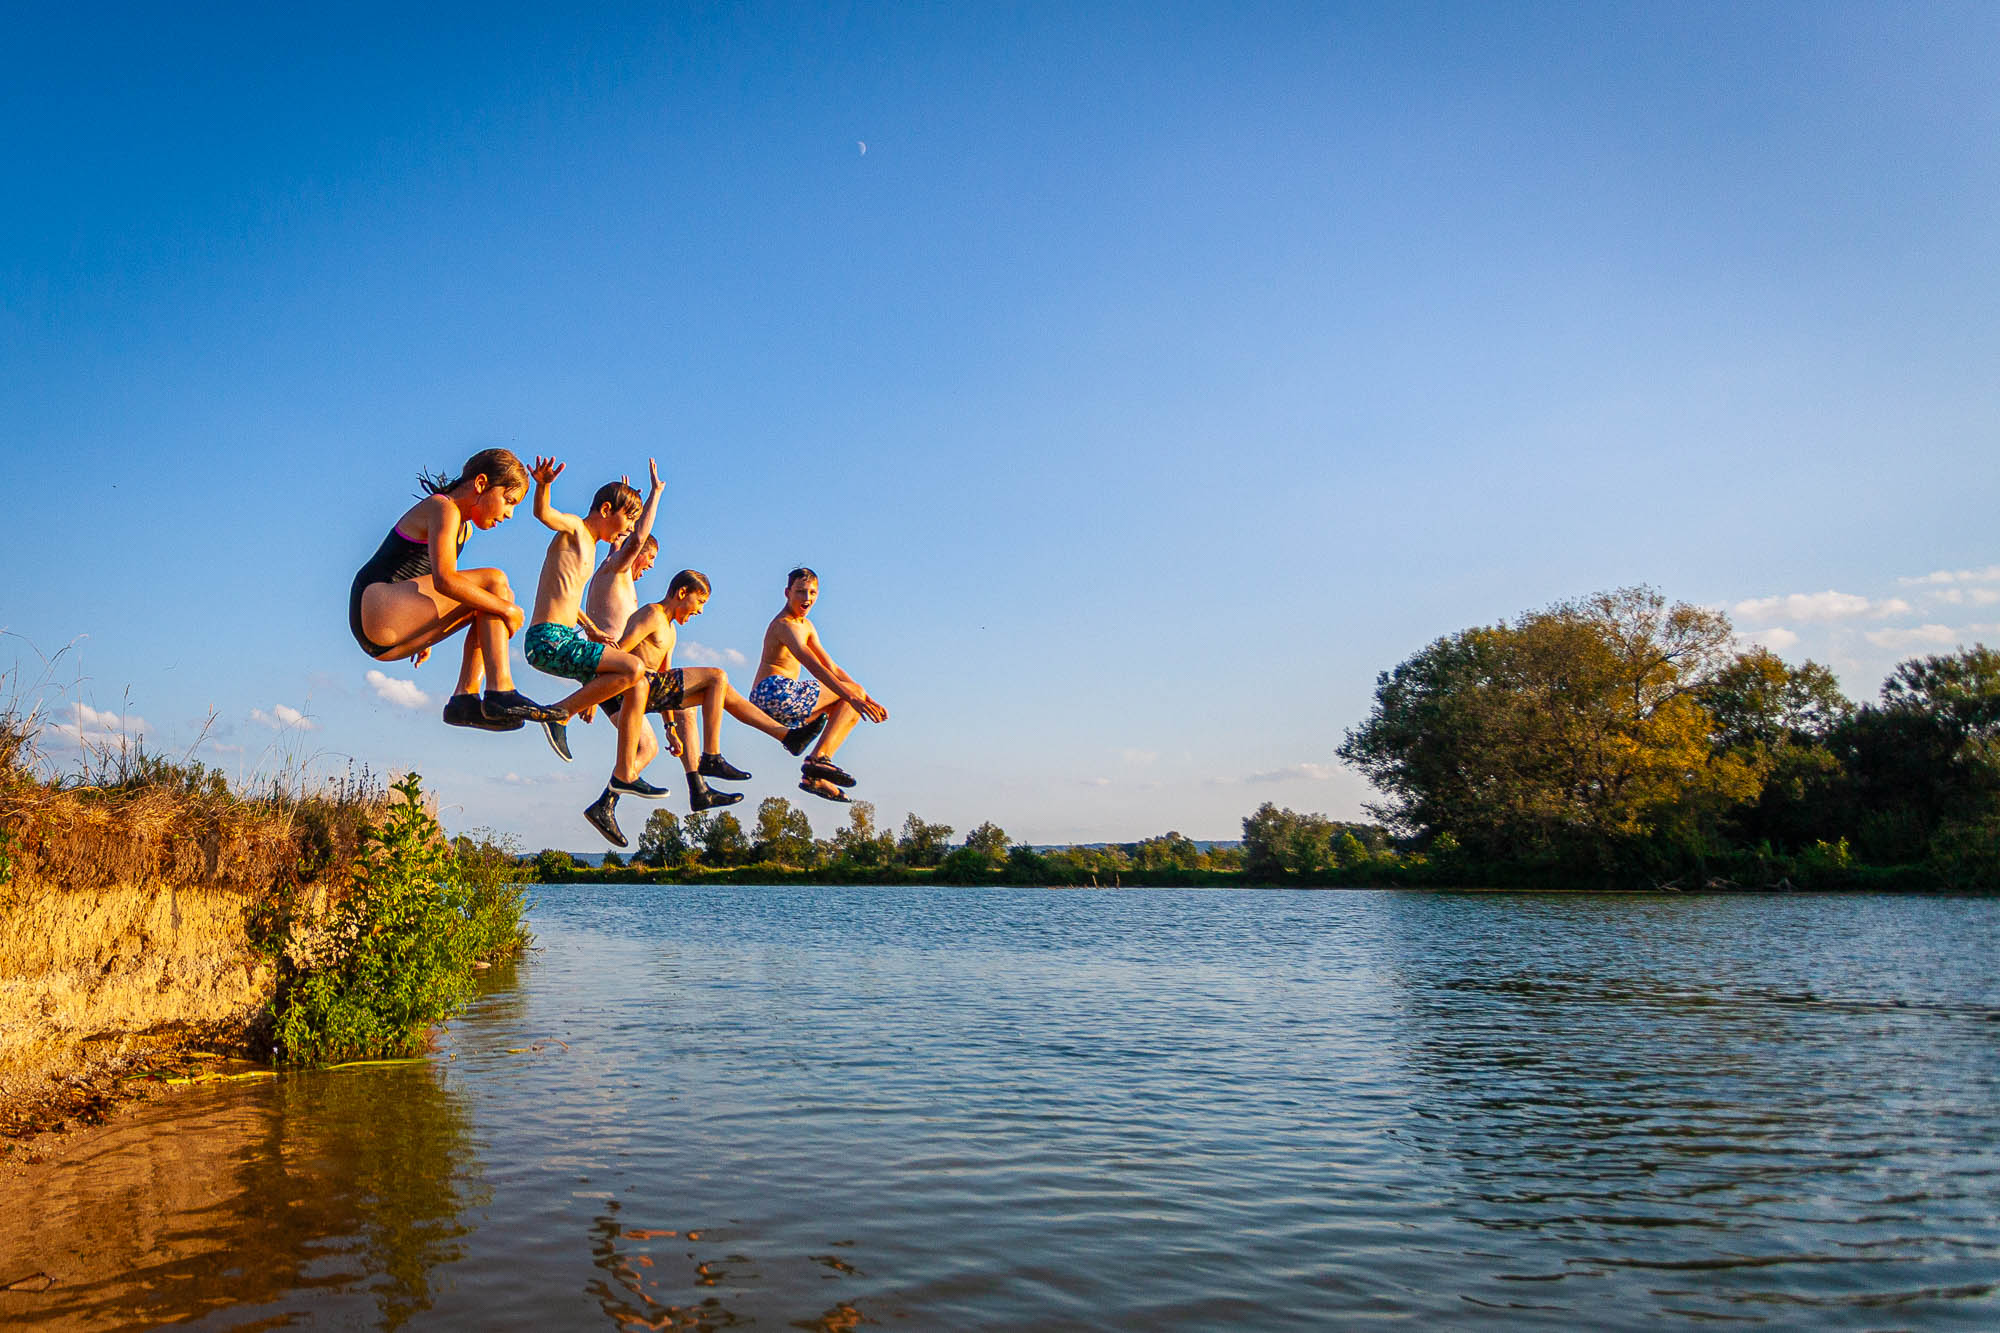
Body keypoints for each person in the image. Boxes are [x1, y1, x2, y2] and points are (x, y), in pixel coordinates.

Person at [348, 447, 562, 731]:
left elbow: (445, 587)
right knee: (495, 583)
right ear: (482, 484)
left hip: (389, 635)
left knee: (495, 596)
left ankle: (465, 699)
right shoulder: (443, 507)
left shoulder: (464, 528)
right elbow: (445, 580)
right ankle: (501, 691)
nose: (509, 514)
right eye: (508, 501)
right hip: (375, 604)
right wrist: (507, 611)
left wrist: (421, 625)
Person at [521, 456, 666, 847]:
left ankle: (621, 781)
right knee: (634, 667)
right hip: (549, 639)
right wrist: (543, 485)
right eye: (627, 521)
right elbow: (544, 514)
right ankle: (557, 714)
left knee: (636, 685)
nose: (630, 532)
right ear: (606, 511)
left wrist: (592, 628)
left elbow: (567, 597)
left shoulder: (590, 555)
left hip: (570, 637)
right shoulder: (575, 533)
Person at [611, 569, 830, 810]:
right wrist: (592, 698)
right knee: (717, 676)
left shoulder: (671, 631)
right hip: (635, 689)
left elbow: (666, 683)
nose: (700, 610)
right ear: (682, 593)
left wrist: (670, 728)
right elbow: (618, 655)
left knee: (722, 690)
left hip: (652, 692)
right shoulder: (652, 614)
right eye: (700, 602)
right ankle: (712, 756)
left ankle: (787, 736)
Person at [749, 567, 888, 803]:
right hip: (772, 692)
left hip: (784, 699)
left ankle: (815, 775)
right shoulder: (785, 625)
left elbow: (832, 667)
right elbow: (814, 666)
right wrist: (853, 695)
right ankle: (817, 761)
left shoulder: (806, 626)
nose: (807, 598)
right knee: (849, 697)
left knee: (848, 706)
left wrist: (865, 697)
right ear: (787, 593)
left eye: (812, 593)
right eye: (801, 592)